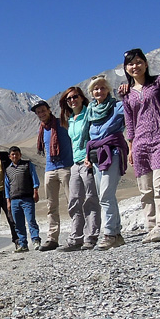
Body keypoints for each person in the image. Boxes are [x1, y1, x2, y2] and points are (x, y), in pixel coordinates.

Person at [121, 49, 160, 242]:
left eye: (138, 62)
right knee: (145, 191)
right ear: (126, 68)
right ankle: (151, 226)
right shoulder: (126, 95)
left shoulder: (158, 83)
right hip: (140, 144)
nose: (135, 66)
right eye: (131, 64)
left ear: (146, 63)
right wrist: (131, 147)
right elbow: (130, 123)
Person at [84, 75, 128, 250]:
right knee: (106, 196)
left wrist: (126, 94)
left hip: (113, 153)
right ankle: (117, 234)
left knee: (106, 195)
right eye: (95, 89)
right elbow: (89, 135)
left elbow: (132, 113)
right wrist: (87, 156)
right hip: (96, 156)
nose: (99, 91)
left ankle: (109, 234)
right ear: (91, 92)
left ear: (108, 89)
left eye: (102, 88)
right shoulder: (90, 111)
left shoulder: (117, 107)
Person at [59, 86, 100, 251]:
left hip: (87, 161)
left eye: (75, 97)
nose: (72, 100)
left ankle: (92, 236)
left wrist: (89, 156)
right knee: (74, 200)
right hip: (75, 164)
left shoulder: (89, 113)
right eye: (68, 99)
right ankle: (76, 238)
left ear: (82, 97)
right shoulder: (70, 120)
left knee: (90, 199)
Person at [31, 100, 74, 251]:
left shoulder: (62, 123)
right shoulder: (42, 130)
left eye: (43, 110)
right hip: (50, 169)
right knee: (51, 205)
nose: (41, 114)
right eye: (38, 112)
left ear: (49, 110)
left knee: (72, 201)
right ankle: (52, 238)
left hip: (66, 167)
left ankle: (76, 234)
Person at [4, 146, 41, 252]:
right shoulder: (8, 170)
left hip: (27, 198)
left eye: (16, 154)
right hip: (14, 200)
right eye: (12, 154)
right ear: (9, 157)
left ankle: (36, 240)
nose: (15, 156)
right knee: (18, 224)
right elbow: (7, 186)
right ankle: (23, 244)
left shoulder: (27, 165)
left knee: (31, 220)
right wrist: (8, 201)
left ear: (20, 155)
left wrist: (36, 191)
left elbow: (34, 178)